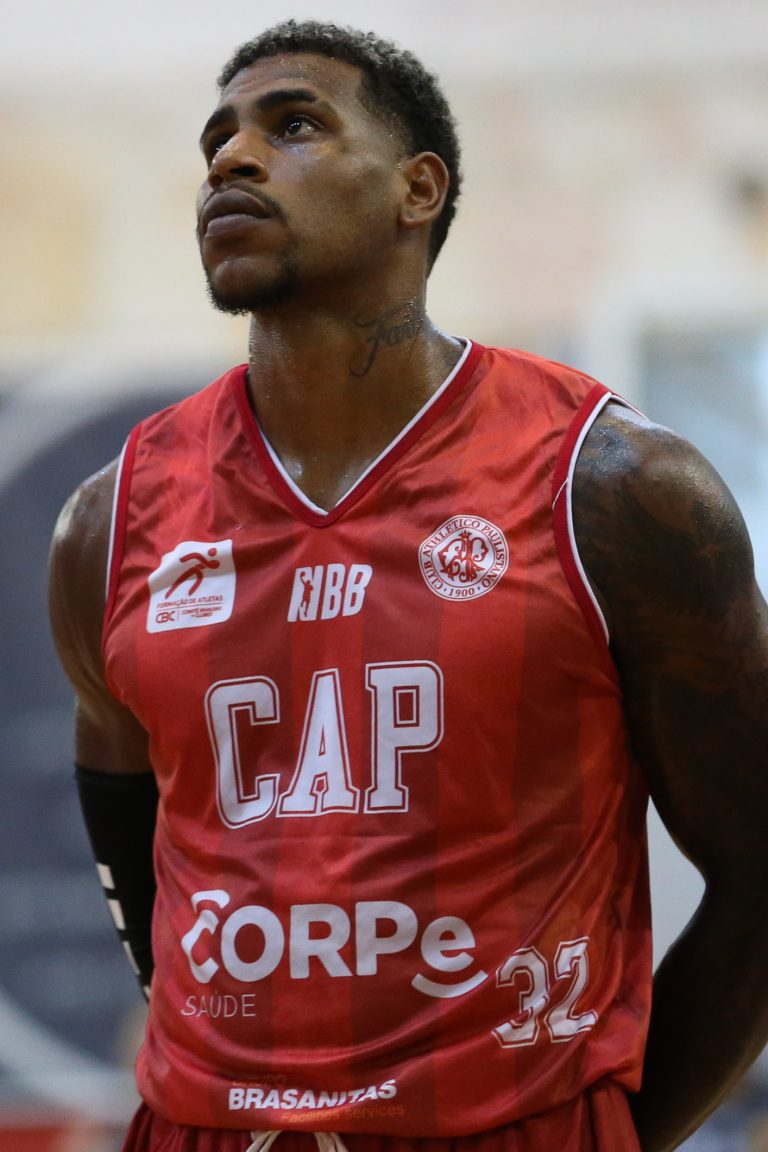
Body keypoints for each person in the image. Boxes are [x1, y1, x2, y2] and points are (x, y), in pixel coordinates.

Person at [48, 18, 768, 1152]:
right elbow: (127, 845)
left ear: (416, 190)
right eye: (216, 140)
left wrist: (624, 1132)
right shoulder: (108, 521)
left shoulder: (614, 488)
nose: (233, 159)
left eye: (293, 126)